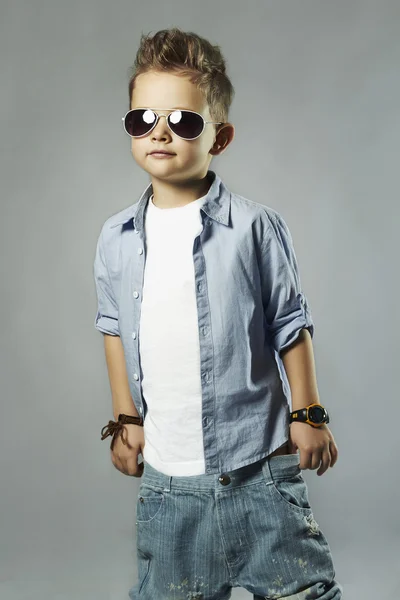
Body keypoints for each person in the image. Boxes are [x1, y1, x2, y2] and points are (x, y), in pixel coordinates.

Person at [93, 26, 343, 600]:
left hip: (258, 469)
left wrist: (308, 413)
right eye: (142, 119)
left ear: (219, 137)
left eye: (182, 121)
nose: (160, 132)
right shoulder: (116, 237)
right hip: (167, 480)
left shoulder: (256, 228)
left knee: (300, 593)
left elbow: (290, 323)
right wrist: (125, 419)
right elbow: (112, 325)